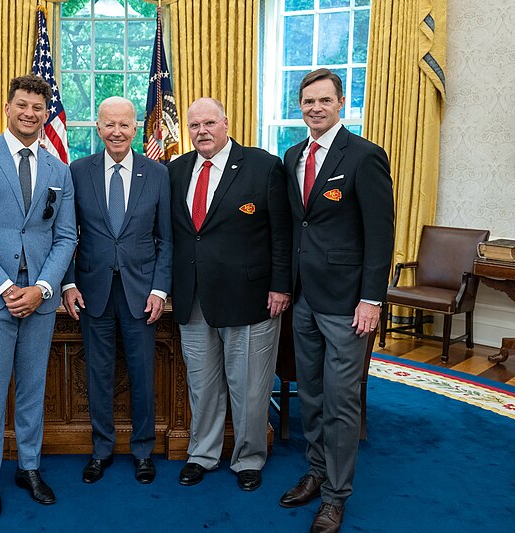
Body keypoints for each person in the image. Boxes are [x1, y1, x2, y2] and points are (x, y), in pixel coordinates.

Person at [0, 74, 76, 520]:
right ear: (8, 108)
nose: (29, 113)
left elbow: (65, 237)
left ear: (47, 113)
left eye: (37, 108)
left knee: (33, 388)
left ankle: (29, 467)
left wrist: (42, 288)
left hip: (39, 298)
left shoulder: (59, 169)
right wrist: (6, 288)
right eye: (22, 105)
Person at [280, 68, 394, 533]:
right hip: (304, 299)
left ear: (341, 103)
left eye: (324, 100)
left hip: (348, 304)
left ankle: (335, 496)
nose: (315, 108)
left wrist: (372, 299)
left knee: (341, 400)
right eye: (308, 101)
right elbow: (297, 225)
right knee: (310, 394)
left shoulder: (365, 156)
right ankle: (316, 470)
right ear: (300, 106)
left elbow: (380, 235)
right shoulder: (292, 156)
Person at [168, 97, 292, 491]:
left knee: (250, 386)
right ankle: (202, 454)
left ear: (226, 122)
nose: (201, 131)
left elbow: (282, 233)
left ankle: (249, 457)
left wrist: (281, 285)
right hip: (194, 298)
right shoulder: (176, 170)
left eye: (209, 123)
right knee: (202, 384)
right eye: (194, 125)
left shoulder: (263, 165)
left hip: (251, 296)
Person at [61, 97, 172, 485]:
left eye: (124, 125)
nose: (117, 132)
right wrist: (69, 282)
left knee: (143, 375)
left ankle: (143, 451)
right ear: (98, 126)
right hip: (92, 293)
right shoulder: (77, 171)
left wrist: (160, 289)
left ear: (136, 126)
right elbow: (65, 235)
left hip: (142, 294)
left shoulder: (157, 174)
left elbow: (166, 240)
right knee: (98, 374)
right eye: (109, 124)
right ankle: (101, 449)